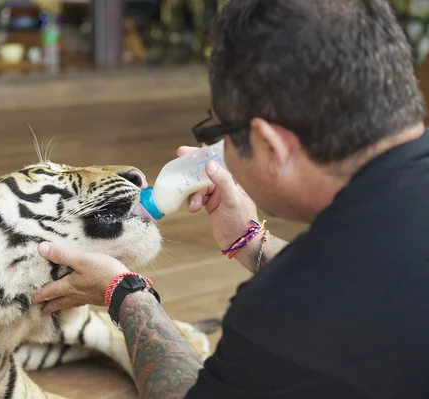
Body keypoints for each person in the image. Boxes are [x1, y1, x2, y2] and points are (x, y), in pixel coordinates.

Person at [32, 0, 429, 398]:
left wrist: (125, 294)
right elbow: (365, 287)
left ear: (271, 145)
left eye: (219, 129)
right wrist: (251, 241)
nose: (216, 148)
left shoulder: (287, 311)